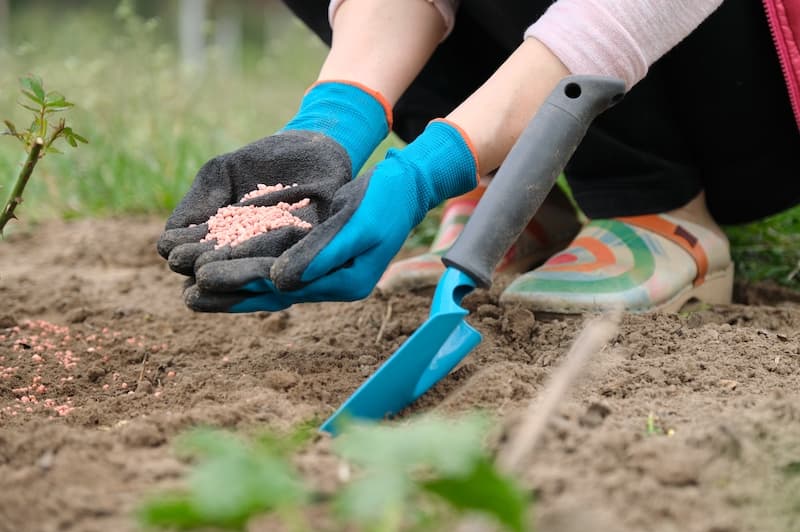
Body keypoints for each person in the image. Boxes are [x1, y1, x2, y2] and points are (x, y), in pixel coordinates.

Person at [157, 0, 800, 315]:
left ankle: (653, 202)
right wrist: (332, 123)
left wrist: (431, 165)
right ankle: (519, 194)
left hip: (745, 92)